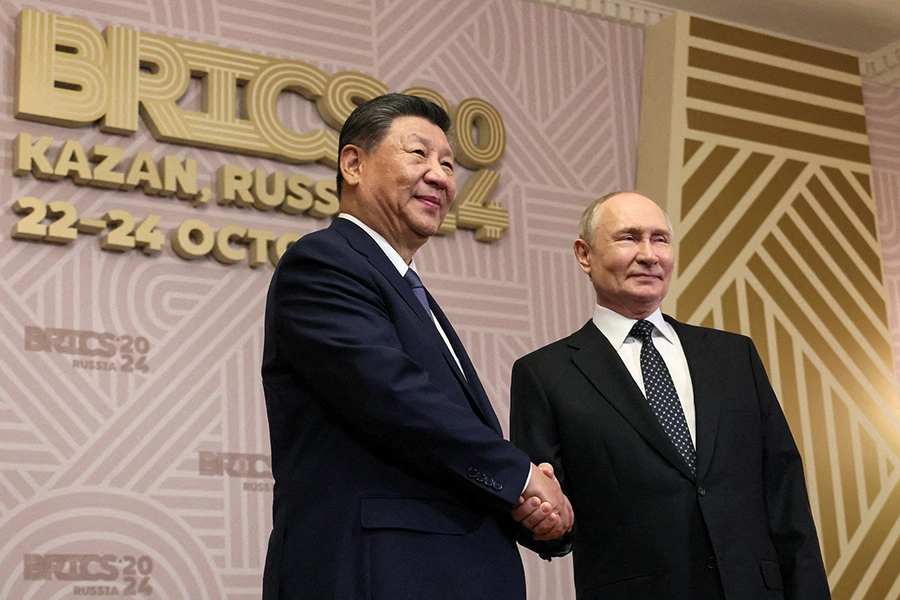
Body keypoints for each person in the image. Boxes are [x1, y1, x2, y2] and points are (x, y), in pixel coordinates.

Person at [260, 93, 572, 600]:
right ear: (353, 164)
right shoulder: (322, 263)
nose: (442, 177)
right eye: (419, 155)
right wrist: (518, 476)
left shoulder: (406, 289)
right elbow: (393, 397)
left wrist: (534, 510)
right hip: (378, 573)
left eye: (449, 164)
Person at [510, 191, 831, 599]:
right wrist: (545, 523)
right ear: (584, 254)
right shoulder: (545, 375)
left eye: (660, 239)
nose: (649, 254)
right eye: (629, 238)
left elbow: (786, 497)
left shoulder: (734, 357)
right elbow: (545, 517)